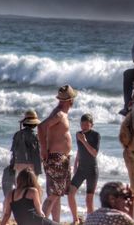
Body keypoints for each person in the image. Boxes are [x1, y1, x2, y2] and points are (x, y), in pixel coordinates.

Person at [38, 85, 77, 223]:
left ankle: (55, 222)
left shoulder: (61, 113)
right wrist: (43, 149)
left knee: (57, 194)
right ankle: (40, 222)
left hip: (61, 158)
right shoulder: (59, 114)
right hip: (57, 159)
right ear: (71, 101)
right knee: (54, 195)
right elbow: (41, 127)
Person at [68, 114, 101, 225]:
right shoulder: (78, 134)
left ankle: (90, 222)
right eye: (82, 124)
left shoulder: (96, 135)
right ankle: (75, 219)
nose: (84, 126)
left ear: (91, 125)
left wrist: (84, 141)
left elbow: (94, 153)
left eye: (87, 124)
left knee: (89, 200)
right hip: (81, 169)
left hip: (92, 170)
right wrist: (76, 163)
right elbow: (79, 150)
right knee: (71, 193)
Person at [11, 110, 42, 176]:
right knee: (32, 184)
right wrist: (38, 169)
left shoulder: (17, 134)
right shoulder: (35, 136)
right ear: (34, 124)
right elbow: (36, 153)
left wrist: (12, 164)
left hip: (18, 164)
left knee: (21, 184)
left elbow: (13, 151)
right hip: (30, 164)